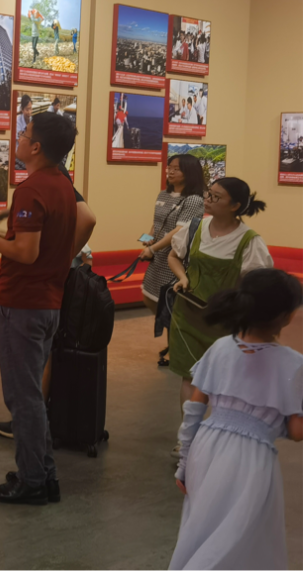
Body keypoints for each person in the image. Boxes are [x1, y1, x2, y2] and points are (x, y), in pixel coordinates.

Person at [0, 112, 77, 505]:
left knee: (23, 398)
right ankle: (44, 475)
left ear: (36, 147)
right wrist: (1, 235)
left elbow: (27, 253)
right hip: (48, 301)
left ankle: (32, 481)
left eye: (24, 133)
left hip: (24, 303)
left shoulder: (32, 189)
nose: (18, 137)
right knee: (30, 393)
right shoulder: (63, 184)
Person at [169, 269, 303, 571]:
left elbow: (194, 409)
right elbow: (296, 430)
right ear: (286, 316)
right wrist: (268, 423)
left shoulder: (219, 349)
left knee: (201, 529)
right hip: (252, 460)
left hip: (206, 450)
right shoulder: (294, 365)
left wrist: (184, 462)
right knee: (241, 537)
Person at [167, 177, 273, 440]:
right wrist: (182, 277)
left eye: (216, 197)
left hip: (226, 324)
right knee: (189, 378)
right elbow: (173, 256)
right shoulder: (195, 227)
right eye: (209, 193)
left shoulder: (249, 241)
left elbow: (259, 285)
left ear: (235, 205)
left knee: (224, 383)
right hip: (188, 316)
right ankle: (189, 438)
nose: (208, 200)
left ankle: (218, 438)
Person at [140, 154, 206, 364]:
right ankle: (175, 339)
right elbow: (157, 223)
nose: (170, 171)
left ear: (189, 172)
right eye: (169, 167)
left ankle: (176, 346)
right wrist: (147, 241)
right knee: (150, 298)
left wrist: (154, 249)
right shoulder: (164, 194)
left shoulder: (194, 200)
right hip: (157, 258)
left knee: (172, 306)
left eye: (176, 168)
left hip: (175, 258)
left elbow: (179, 231)